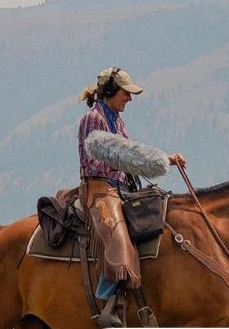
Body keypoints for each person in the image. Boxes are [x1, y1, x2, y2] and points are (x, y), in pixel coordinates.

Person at [78, 67, 185, 327]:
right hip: (100, 190)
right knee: (119, 239)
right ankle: (107, 301)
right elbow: (96, 163)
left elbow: (129, 155)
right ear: (111, 92)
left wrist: (164, 161)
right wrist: (131, 164)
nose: (129, 98)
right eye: (125, 93)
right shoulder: (94, 119)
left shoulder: (117, 119)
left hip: (122, 189)